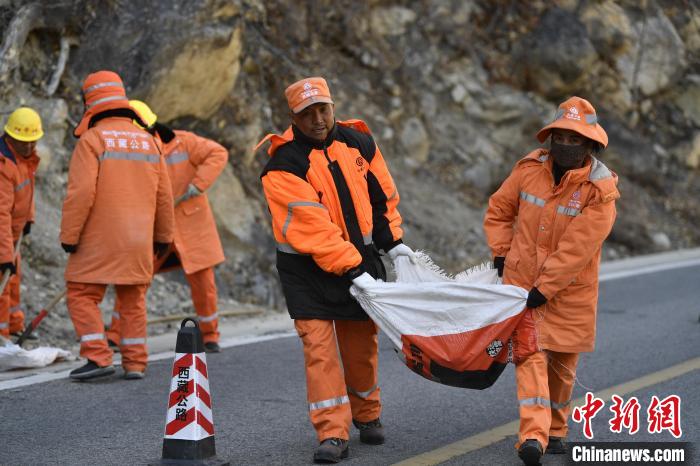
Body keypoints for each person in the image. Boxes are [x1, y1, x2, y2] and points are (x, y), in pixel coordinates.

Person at [258, 77, 414, 463]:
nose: (317, 120)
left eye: (322, 110)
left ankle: (368, 414)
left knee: (361, 346)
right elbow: (312, 228)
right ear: (292, 117)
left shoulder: (358, 143)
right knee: (320, 351)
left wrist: (393, 242)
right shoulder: (283, 164)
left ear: (333, 107)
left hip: (359, 262)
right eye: (307, 114)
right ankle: (332, 433)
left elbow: (382, 196)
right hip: (306, 273)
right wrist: (352, 268)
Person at [483, 96, 619, 466]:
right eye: (561, 137)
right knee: (529, 357)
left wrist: (545, 288)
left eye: (575, 139)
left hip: (569, 294)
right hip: (523, 289)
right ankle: (533, 436)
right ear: (552, 137)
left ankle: (557, 429)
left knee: (561, 367)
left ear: (588, 145)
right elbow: (499, 211)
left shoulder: (600, 192)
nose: (566, 145)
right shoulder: (528, 171)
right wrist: (501, 252)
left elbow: (578, 249)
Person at [60, 71, 174, 380]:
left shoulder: (92, 140)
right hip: (139, 239)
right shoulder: (150, 141)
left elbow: (81, 194)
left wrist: (69, 235)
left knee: (81, 293)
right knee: (133, 299)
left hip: (99, 237)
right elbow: (164, 195)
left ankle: (98, 356)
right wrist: (164, 235)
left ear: (90, 103)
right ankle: (135, 362)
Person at [105, 100, 228, 353]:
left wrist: (197, 185)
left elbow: (218, 153)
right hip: (155, 228)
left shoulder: (184, 142)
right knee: (135, 280)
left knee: (204, 285)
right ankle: (116, 334)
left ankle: (210, 335)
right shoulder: (133, 154)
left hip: (190, 226)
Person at [0, 107, 42, 338]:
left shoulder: (26, 159)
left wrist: (29, 218)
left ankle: (15, 325)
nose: (29, 147)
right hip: (3, 234)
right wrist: (4, 256)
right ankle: (2, 336)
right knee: (4, 282)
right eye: (23, 142)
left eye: (32, 142)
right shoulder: (3, 166)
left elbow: (28, 191)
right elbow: (1, 214)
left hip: (13, 233)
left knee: (14, 281)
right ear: (10, 137)